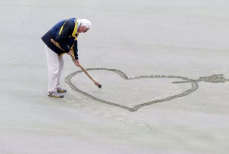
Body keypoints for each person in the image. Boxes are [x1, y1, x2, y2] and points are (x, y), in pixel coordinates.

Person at [41, 18, 91, 98]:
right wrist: (67, 49)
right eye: (85, 30)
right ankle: (51, 91)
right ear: (82, 27)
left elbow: (74, 42)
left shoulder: (76, 29)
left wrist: (76, 58)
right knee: (54, 69)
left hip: (58, 47)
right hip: (51, 45)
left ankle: (56, 87)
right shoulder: (70, 24)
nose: (84, 32)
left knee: (60, 65)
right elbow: (59, 38)